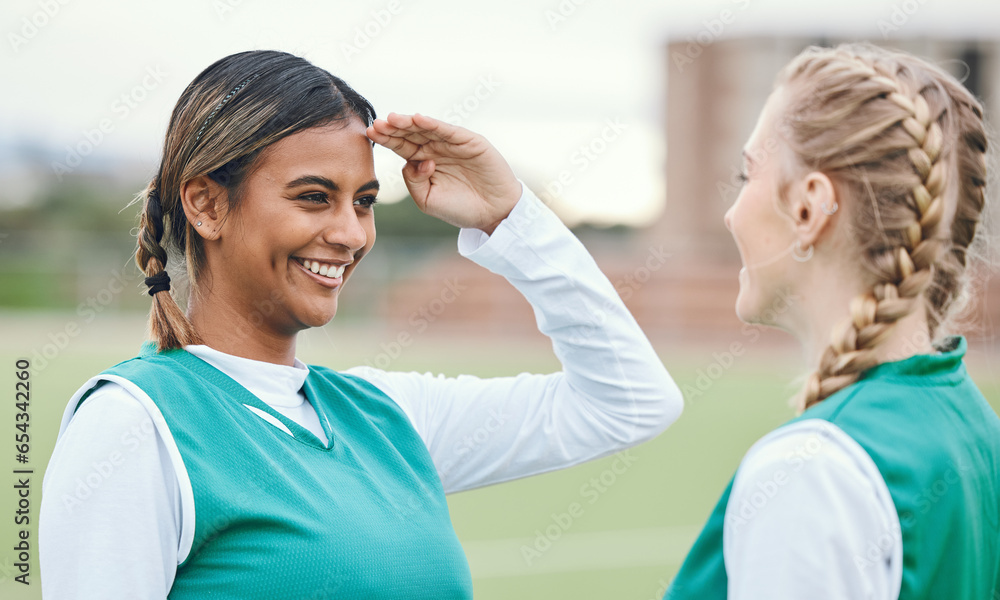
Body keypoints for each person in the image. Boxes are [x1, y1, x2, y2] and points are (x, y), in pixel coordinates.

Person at [38, 50, 683, 599]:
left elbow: (628, 403)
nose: (350, 234)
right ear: (207, 204)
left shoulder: (385, 415)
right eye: (314, 197)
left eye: (365, 203)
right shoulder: (133, 424)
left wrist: (508, 216)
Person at [665, 43, 1000, 599]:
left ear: (809, 208)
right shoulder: (976, 427)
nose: (730, 212)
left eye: (746, 174)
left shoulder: (810, 472)